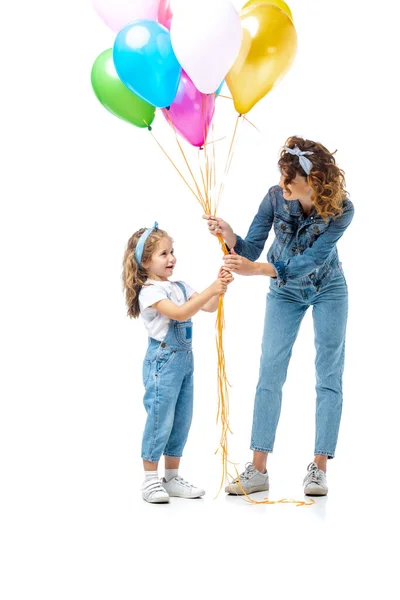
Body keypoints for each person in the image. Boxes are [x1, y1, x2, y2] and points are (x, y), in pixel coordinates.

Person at [204, 136, 354, 497]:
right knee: (270, 370)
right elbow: (251, 246)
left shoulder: (342, 210)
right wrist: (230, 236)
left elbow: (312, 260)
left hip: (328, 287)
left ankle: (318, 469)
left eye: (291, 180)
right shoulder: (275, 197)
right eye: (282, 178)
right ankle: (258, 469)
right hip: (284, 292)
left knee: (328, 374)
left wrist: (258, 270)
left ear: (313, 181)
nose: (283, 185)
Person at [122, 223, 233, 503]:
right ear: (145, 261)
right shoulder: (150, 291)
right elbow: (180, 312)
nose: (171, 258)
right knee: (161, 418)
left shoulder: (180, 286)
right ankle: (149, 480)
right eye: (163, 254)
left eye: (172, 251)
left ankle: (171, 478)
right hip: (163, 361)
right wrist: (211, 289)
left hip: (185, 362)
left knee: (182, 418)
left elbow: (208, 307)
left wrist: (219, 288)